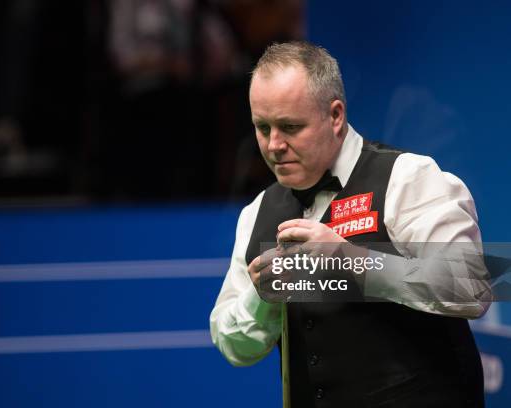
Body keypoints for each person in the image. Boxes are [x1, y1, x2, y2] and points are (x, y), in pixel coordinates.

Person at [210, 41, 492, 407]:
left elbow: (471, 286)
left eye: (290, 127)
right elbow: (233, 345)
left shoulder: (407, 179)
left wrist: (352, 259)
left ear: (336, 115)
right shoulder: (257, 212)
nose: (273, 144)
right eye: (262, 127)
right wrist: (264, 298)